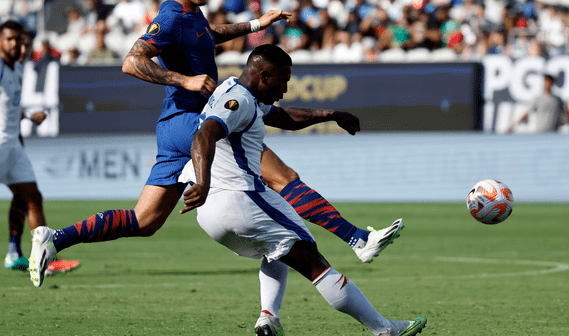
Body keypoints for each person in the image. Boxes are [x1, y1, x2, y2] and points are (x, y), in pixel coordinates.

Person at [28, 0, 401, 288]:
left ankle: (55, 238)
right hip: (195, 120)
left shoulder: (192, 17)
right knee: (281, 176)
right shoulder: (172, 15)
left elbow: (209, 35)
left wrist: (257, 23)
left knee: (144, 221)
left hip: (176, 126)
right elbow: (132, 61)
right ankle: (356, 240)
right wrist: (183, 80)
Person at [178, 45, 427, 336]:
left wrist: (331, 114)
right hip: (239, 199)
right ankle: (384, 329)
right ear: (265, 75)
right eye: (283, 80)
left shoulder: (237, 89)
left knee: (279, 250)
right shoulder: (240, 100)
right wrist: (203, 182)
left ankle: (268, 319)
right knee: (312, 259)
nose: (285, 88)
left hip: (210, 214)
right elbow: (204, 134)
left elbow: (283, 118)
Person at [0, 22, 78, 279]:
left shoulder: (16, 68)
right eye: (10, 39)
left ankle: (41, 259)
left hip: (13, 146)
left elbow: (7, 108)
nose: (17, 44)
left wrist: (28, 115)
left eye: (19, 40)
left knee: (31, 197)